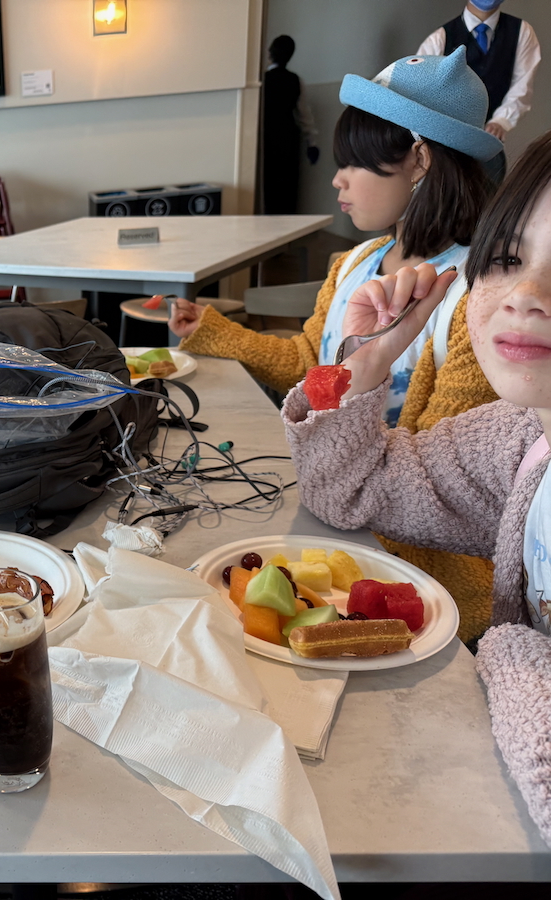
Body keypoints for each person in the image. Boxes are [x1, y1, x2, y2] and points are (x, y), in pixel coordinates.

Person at [282, 129, 551, 849]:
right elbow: (350, 489)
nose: (526, 295)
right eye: (508, 259)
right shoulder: (520, 440)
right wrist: (360, 368)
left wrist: (504, 650)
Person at [170, 47, 498, 427]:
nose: (337, 180)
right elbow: (310, 364)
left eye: (354, 162)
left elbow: (443, 452)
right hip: (326, 460)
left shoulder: (476, 297)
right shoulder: (352, 264)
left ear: (419, 160)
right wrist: (212, 330)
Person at [417, 0, 541, 183]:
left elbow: (522, 87)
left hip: (488, 152)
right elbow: (420, 91)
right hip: (445, 150)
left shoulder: (521, 32)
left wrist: (501, 121)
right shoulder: (439, 39)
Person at [262, 35, 320, 215]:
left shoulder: (262, 80)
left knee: (268, 187)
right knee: (288, 188)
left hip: (266, 137)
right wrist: (312, 143)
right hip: (288, 138)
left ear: (270, 53)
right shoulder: (295, 80)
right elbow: (304, 115)